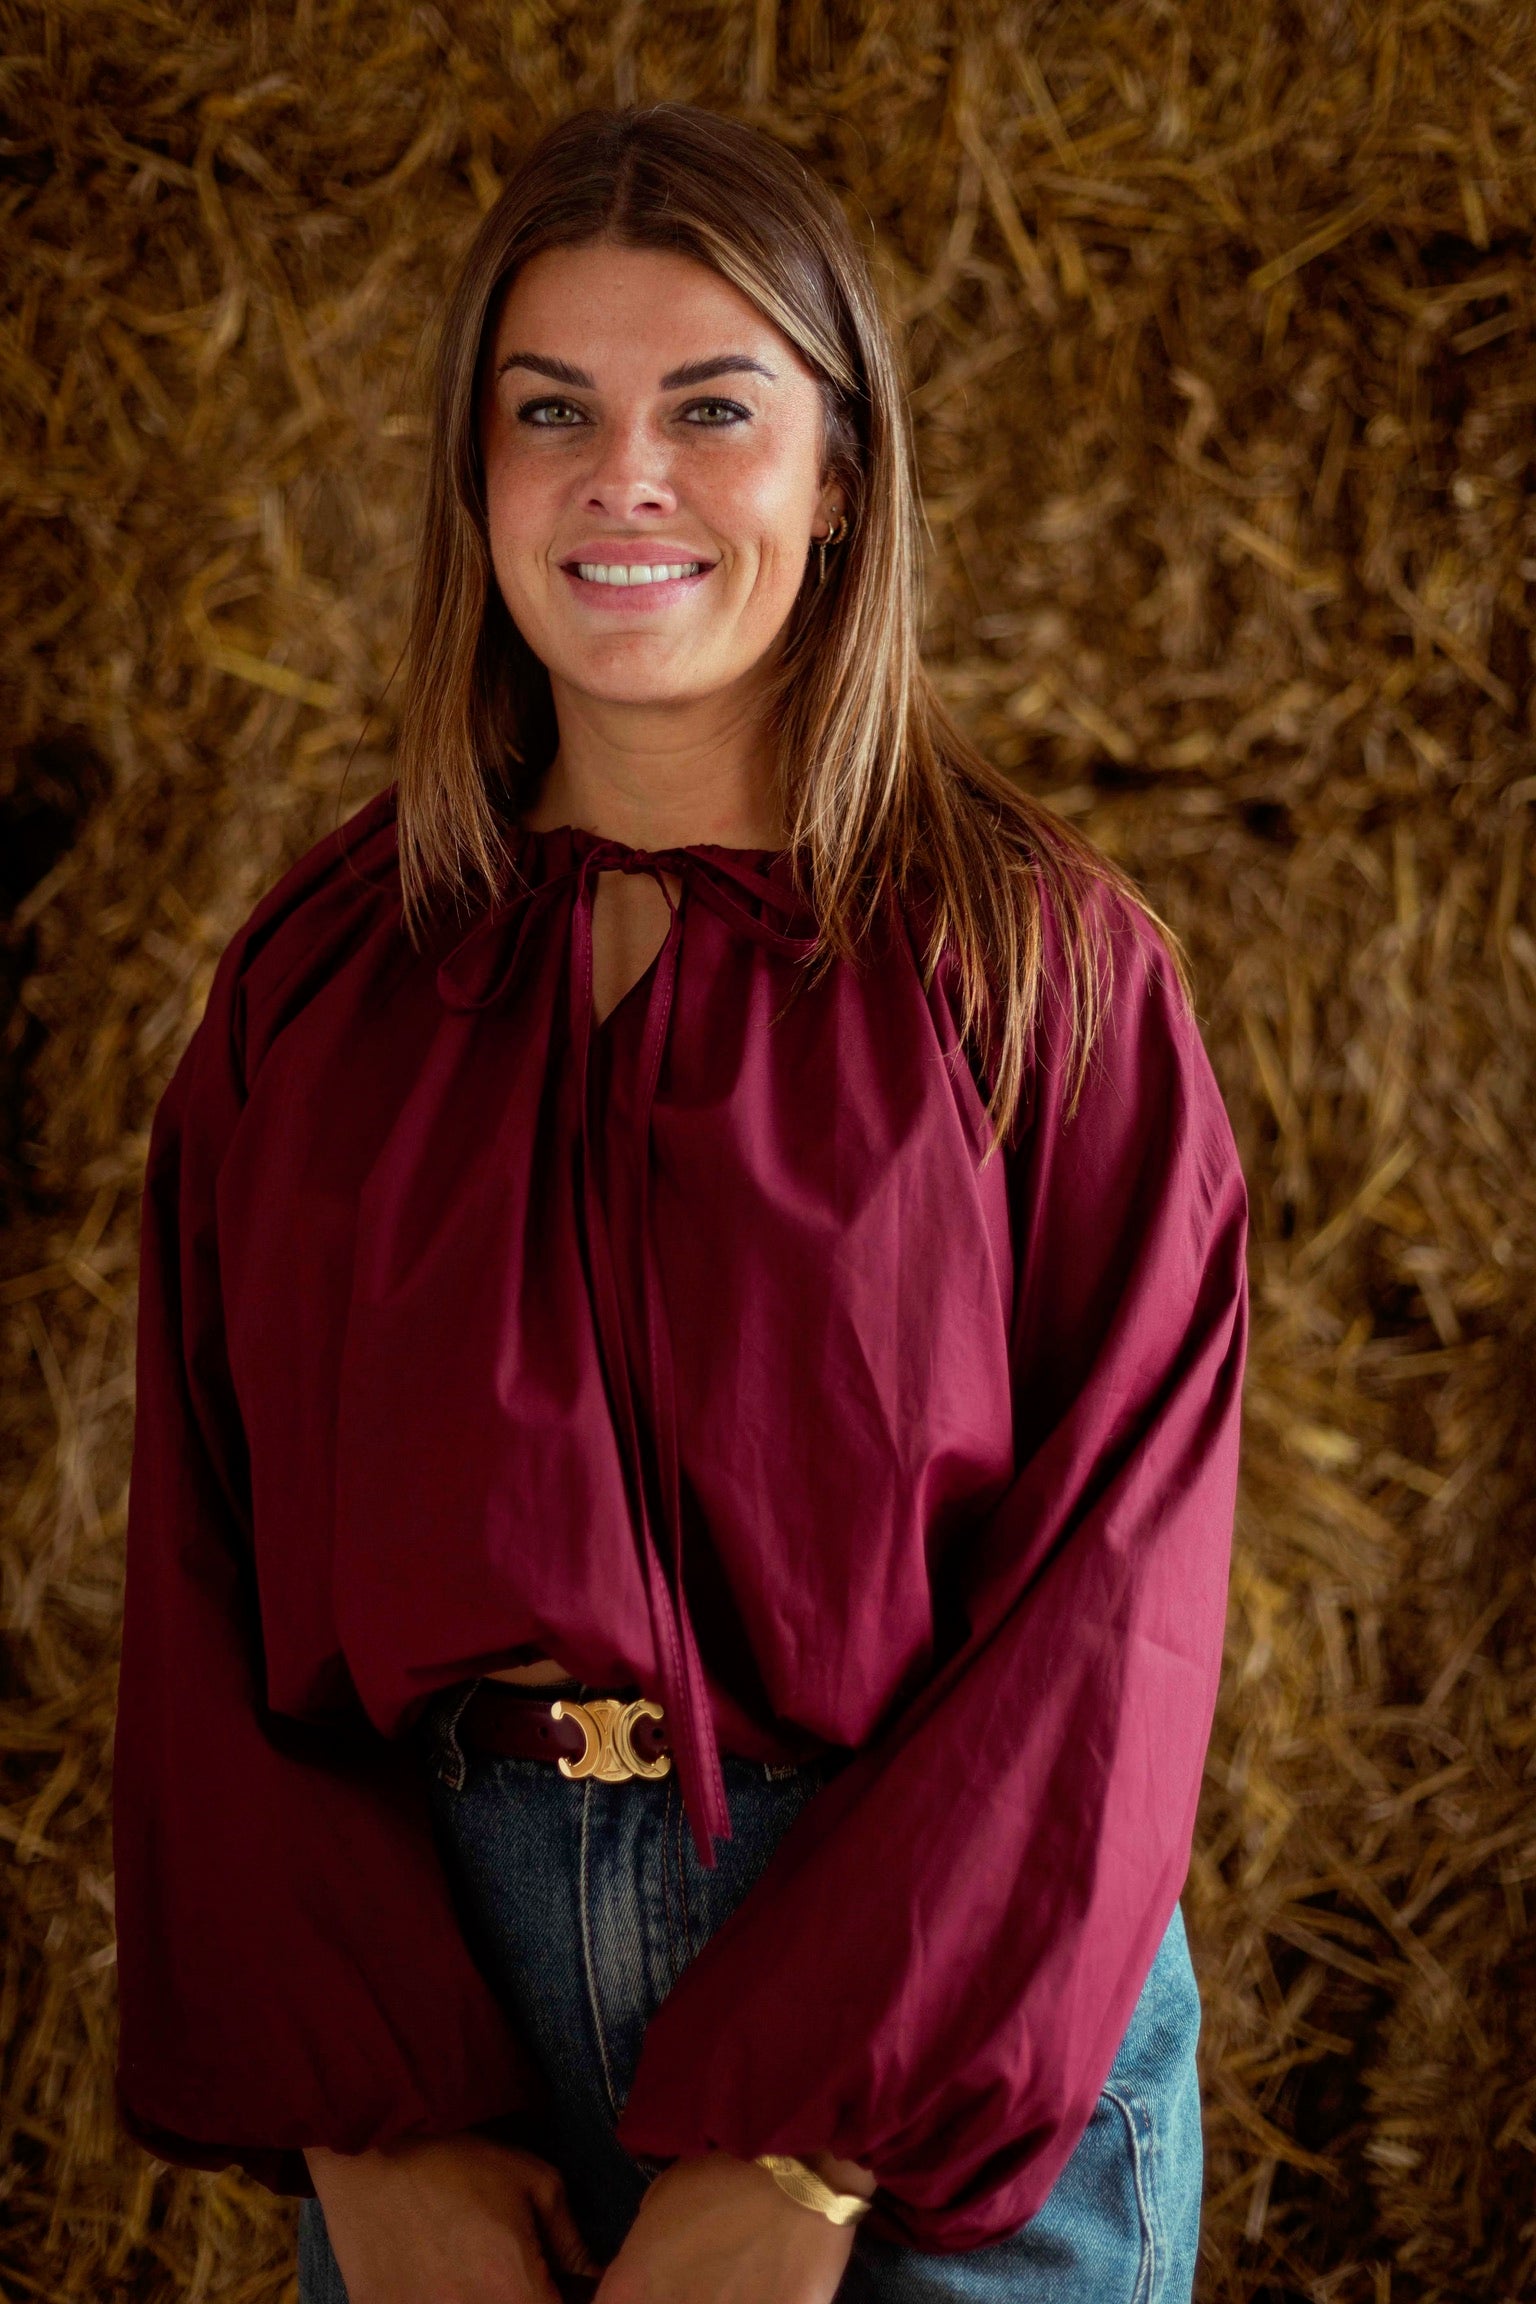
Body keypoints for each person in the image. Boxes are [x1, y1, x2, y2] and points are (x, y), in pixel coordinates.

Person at [111, 103, 1248, 2304]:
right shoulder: (322, 982)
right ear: (474, 477)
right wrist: (374, 2120)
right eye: (552, 412)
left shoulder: (1041, 973)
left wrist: (812, 2147)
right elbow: (205, 1564)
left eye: (713, 411)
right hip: (449, 2023)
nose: (623, 477)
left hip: (939, 2055)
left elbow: (1115, 1608)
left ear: (841, 479)